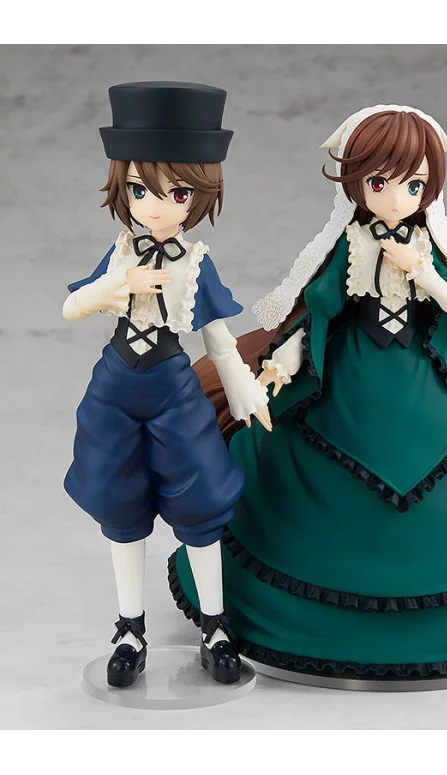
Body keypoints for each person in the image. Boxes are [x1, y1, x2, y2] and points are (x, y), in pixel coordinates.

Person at [169, 105, 447, 679]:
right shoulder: (350, 244)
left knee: (446, 491)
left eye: (414, 185)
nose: (397, 198)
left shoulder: (427, 248)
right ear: (354, 184)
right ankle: (296, 617)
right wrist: (282, 360)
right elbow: (317, 311)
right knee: (305, 477)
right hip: (348, 373)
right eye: (379, 183)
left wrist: (422, 272)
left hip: (421, 379)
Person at [63, 82, 271, 687]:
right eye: (138, 190)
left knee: (200, 503)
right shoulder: (119, 255)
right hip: (115, 388)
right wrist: (113, 288)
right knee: (119, 506)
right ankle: (130, 629)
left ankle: (215, 626)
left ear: (199, 195)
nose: (155, 207)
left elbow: (219, 341)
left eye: (176, 192)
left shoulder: (195, 264)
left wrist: (244, 391)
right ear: (121, 187)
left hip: (172, 389)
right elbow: (73, 307)